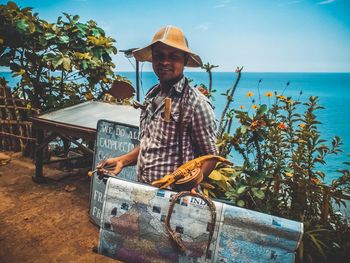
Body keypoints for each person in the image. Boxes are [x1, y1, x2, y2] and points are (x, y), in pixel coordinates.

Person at [98, 25, 218, 186]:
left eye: (173, 56)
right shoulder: (153, 95)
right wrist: (122, 161)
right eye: (159, 56)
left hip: (174, 197)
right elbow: (152, 144)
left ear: (185, 60)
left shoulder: (196, 103)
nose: (164, 62)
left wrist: (190, 183)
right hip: (144, 190)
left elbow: (210, 156)